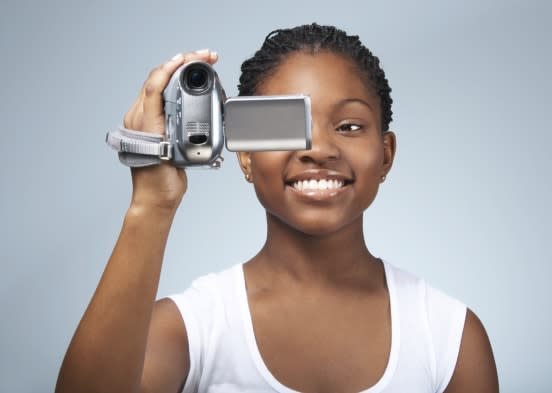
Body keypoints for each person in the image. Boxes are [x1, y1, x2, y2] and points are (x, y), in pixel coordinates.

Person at [55, 24, 498, 393]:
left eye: (348, 126)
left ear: (385, 155)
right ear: (244, 155)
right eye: (286, 125)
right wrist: (152, 203)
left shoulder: (451, 337)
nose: (320, 148)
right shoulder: (194, 328)